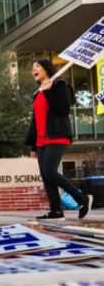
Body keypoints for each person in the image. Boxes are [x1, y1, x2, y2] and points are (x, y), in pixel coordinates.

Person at [26, 59, 93, 221]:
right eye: (32, 67)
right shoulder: (38, 92)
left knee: (50, 171)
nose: (33, 69)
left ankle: (82, 199)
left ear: (47, 69)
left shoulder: (59, 84)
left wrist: (49, 91)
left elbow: (63, 109)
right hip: (42, 138)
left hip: (57, 134)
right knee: (46, 175)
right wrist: (33, 143)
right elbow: (36, 119)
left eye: (37, 66)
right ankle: (56, 212)